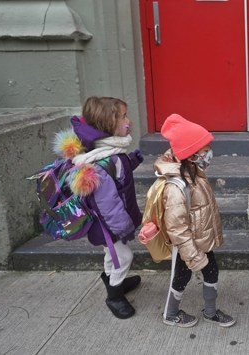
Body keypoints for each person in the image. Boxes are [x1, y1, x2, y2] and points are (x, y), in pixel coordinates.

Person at [54, 96, 143, 319]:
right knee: (123, 257)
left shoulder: (110, 152)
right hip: (109, 224)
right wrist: (123, 229)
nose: (128, 122)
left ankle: (112, 279)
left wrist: (132, 161)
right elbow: (108, 203)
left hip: (109, 222)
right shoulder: (102, 162)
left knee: (111, 254)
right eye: (123, 117)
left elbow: (119, 173)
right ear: (107, 124)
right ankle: (114, 294)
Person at [154, 114, 236, 328]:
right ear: (191, 155)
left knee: (212, 271)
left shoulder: (195, 174)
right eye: (205, 150)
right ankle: (170, 314)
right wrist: (191, 254)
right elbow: (177, 227)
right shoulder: (176, 187)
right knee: (181, 278)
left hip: (203, 239)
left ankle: (210, 312)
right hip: (187, 246)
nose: (209, 154)